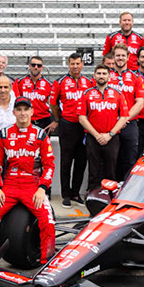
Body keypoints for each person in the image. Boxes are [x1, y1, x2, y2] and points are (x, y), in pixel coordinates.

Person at [0, 96, 56, 274]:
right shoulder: (3, 134)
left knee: (47, 221)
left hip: (32, 186)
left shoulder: (41, 135)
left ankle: (48, 263)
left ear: (32, 112)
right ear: (14, 112)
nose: (23, 113)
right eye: (19, 109)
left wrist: (43, 188)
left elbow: (49, 165)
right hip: (9, 186)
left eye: (26, 109)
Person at [50, 53, 95, 204]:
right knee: (66, 161)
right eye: (72, 64)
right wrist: (59, 119)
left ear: (82, 65)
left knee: (81, 161)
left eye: (77, 63)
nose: (75, 66)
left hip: (83, 126)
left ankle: (76, 193)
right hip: (67, 125)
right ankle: (66, 195)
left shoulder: (89, 82)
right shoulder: (60, 82)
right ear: (68, 65)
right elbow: (54, 104)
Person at [80, 63, 129, 192]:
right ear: (94, 76)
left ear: (109, 76)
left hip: (112, 137)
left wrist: (110, 134)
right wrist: (97, 135)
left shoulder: (118, 94)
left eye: (104, 73)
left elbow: (124, 117)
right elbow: (81, 118)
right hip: (93, 137)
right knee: (93, 170)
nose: (101, 76)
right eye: (99, 73)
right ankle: (91, 196)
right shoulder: (87, 94)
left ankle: (110, 197)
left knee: (111, 170)